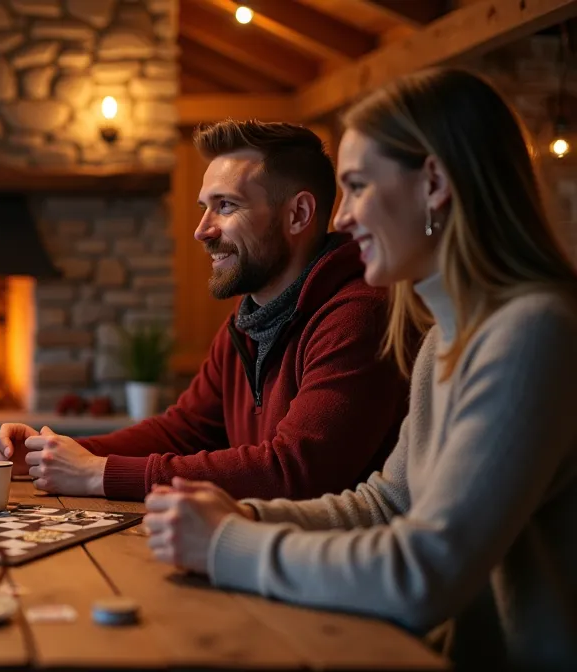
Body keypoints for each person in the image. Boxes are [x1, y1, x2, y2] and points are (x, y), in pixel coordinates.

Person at [145, 68, 577, 670]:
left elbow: (426, 573)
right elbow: (384, 504)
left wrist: (227, 543)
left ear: (433, 184)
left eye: (356, 187)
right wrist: (243, 514)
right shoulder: (442, 342)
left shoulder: (535, 333)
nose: (340, 217)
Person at [0, 121, 413, 501]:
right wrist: (55, 454)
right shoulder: (249, 319)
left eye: (226, 206)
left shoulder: (360, 315)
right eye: (203, 207)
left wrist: (98, 474)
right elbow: (183, 431)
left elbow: (293, 472)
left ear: (298, 214)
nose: (202, 230)